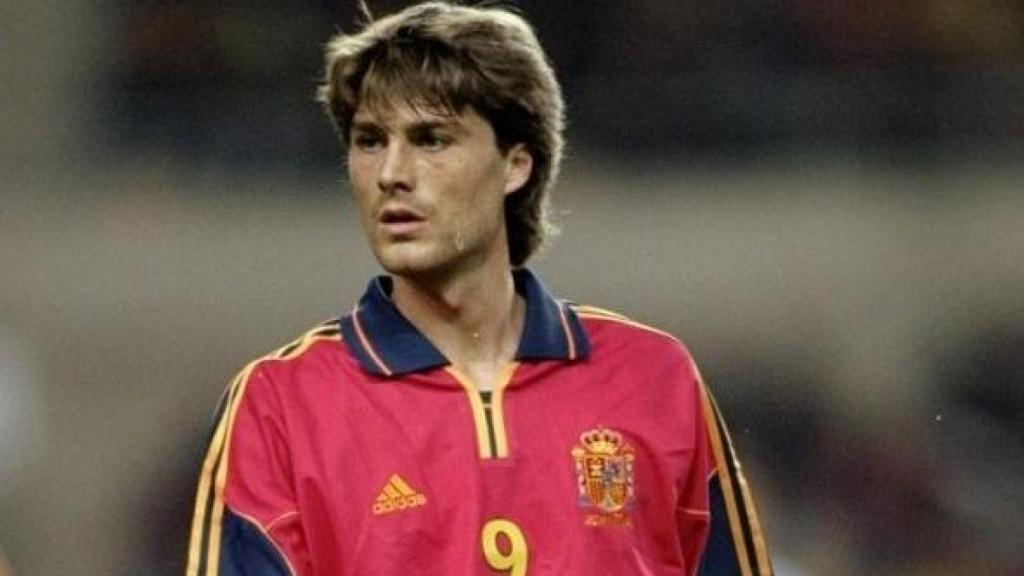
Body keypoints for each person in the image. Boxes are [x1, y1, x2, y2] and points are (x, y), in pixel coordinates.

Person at [185, 2, 772, 574]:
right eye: (369, 141)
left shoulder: (656, 377)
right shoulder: (280, 405)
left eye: (431, 139)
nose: (391, 173)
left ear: (516, 165)